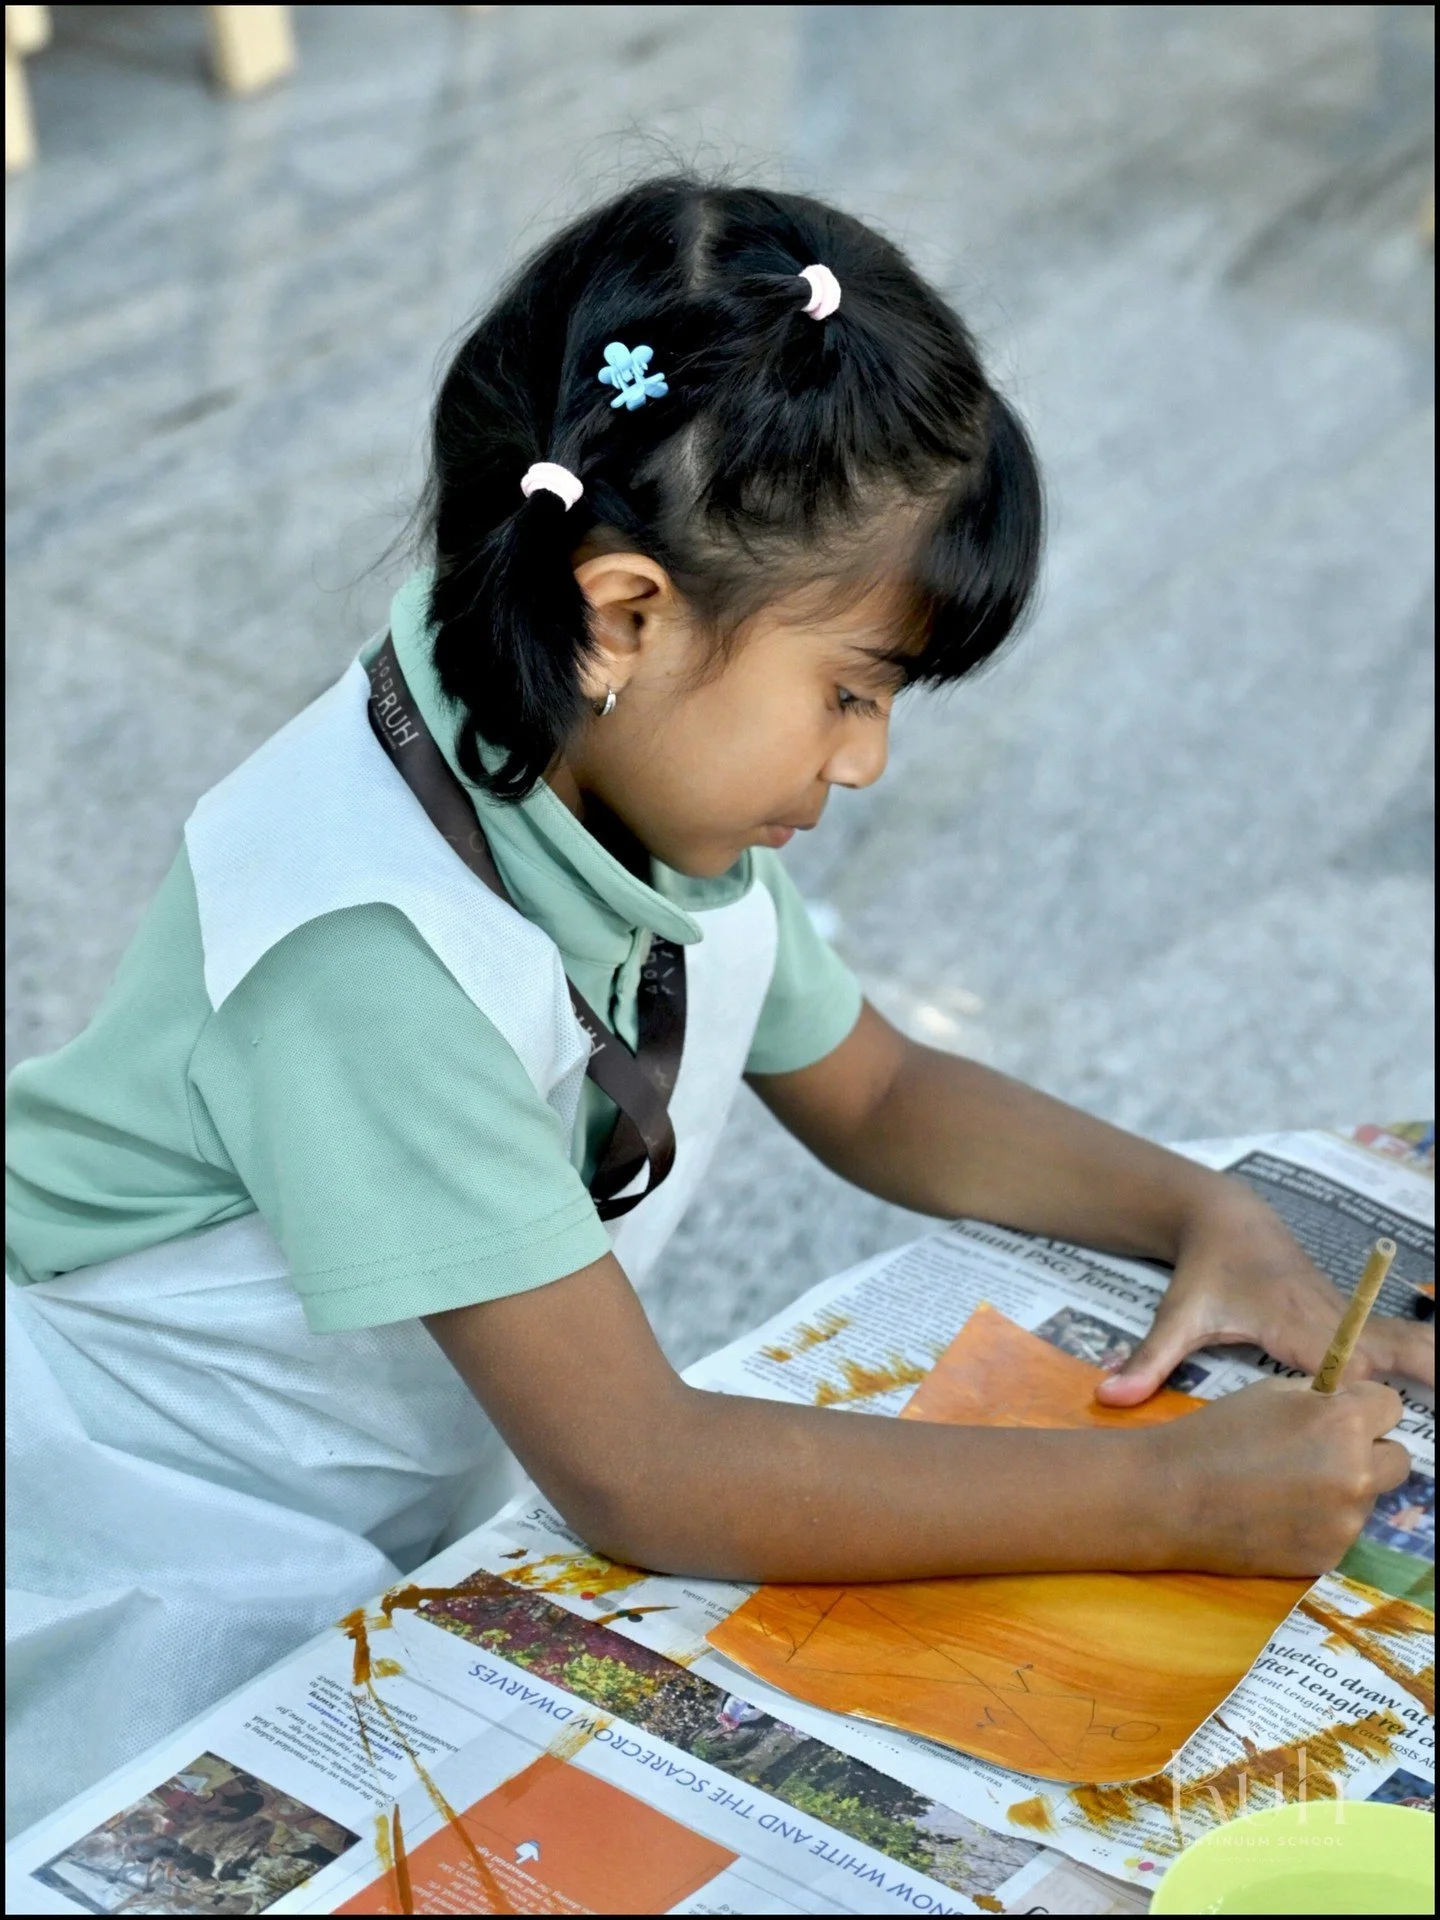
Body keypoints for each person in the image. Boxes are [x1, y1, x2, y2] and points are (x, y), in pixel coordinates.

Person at [6, 177, 1430, 1833]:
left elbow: (879, 1091)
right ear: (624, 611)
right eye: (849, 692)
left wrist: (1203, 1207)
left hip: (383, 1487)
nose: (865, 759)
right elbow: (643, 1471)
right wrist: (1166, 1493)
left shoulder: (614, 764)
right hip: (140, 1525)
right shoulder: (366, 950)